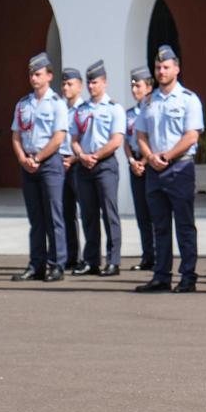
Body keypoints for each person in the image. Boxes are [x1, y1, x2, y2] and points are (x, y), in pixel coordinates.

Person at [135, 44, 203, 293]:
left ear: (177, 68)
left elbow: (192, 135)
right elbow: (140, 133)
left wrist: (166, 155)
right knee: (160, 226)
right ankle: (161, 275)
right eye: (157, 67)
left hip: (179, 168)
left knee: (184, 225)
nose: (161, 71)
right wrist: (150, 155)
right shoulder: (149, 101)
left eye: (166, 67)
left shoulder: (188, 99)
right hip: (155, 169)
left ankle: (188, 276)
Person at [10, 52, 69, 282]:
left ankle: (57, 265)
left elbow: (58, 137)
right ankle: (37, 264)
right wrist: (23, 158)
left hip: (49, 163)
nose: (33, 78)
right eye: (31, 75)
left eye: (38, 74)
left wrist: (38, 159)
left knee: (54, 216)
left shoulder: (57, 104)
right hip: (28, 163)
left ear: (49, 76)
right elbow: (16, 135)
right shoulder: (23, 104)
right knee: (36, 219)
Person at [70, 60, 126, 276]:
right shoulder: (81, 110)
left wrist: (94, 156)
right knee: (88, 214)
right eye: (89, 83)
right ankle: (91, 260)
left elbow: (116, 140)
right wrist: (82, 155)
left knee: (109, 214)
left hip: (105, 165)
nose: (91, 87)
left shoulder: (114, 109)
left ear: (104, 82)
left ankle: (113, 260)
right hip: (84, 166)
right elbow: (74, 138)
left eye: (95, 82)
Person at [125, 66, 156, 271]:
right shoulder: (129, 113)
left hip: (151, 163)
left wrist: (144, 162)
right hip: (134, 162)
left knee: (154, 213)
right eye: (132, 86)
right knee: (141, 214)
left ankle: (158, 255)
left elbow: (153, 140)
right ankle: (147, 256)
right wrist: (131, 160)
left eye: (138, 86)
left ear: (148, 87)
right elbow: (127, 140)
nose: (134, 90)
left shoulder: (152, 109)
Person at [59, 67, 85, 273]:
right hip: (60, 164)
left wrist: (75, 158)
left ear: (80, 86)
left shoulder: (85, 109)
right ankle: (71, 256)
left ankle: (88, 257)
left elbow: (90, 140)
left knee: (87, 212)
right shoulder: (59, 108)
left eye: (70, 84)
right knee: (66, 213)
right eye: (64, 84)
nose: (66, 87)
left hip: (79, 164)